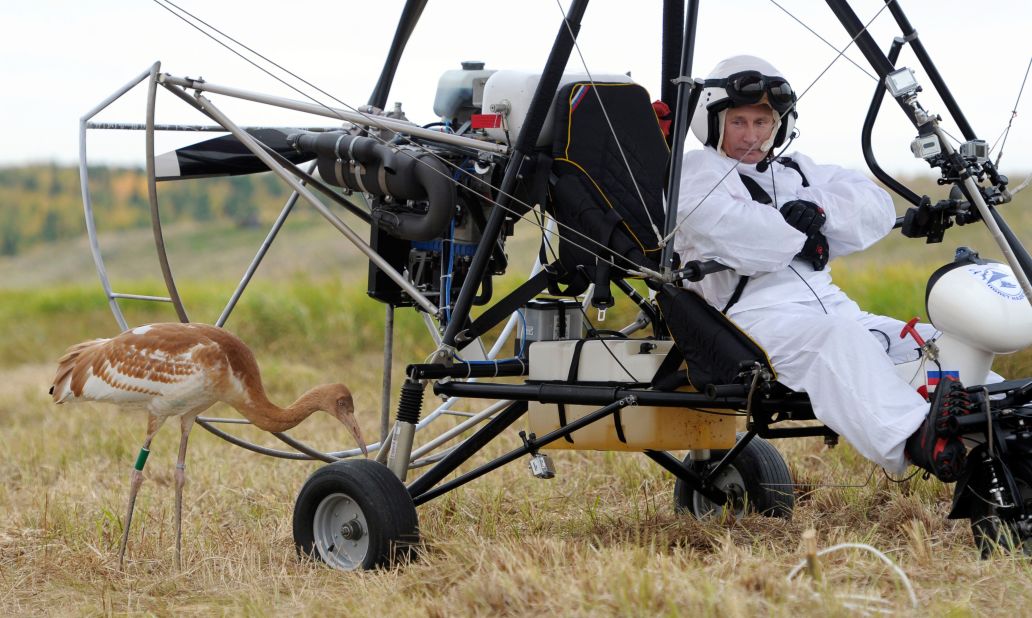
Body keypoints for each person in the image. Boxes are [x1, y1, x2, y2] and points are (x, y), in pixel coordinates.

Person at [673, 55, 972, 481]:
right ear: (713, 121)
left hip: (834, 309)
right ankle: (921, 440)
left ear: (782, 124)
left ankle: (999, 426)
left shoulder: (796, 169)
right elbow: (739, 237)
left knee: (931, 342)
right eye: (739, 122)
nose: (752, 136)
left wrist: (816, 210)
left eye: (763, 123)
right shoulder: (697, 172)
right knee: (838, 341)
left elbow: (873, 206)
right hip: (755, 322)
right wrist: (799, 227)